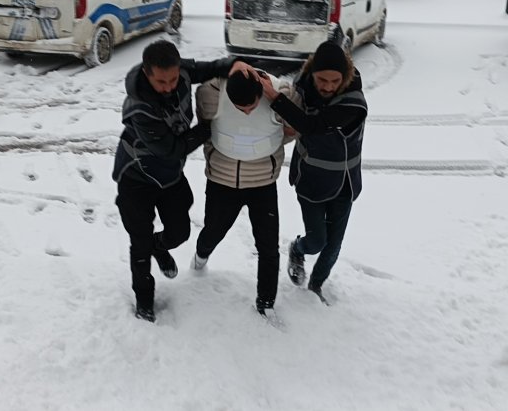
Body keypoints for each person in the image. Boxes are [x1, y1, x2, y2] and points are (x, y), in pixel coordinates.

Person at [112, 40, 251, 323]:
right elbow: (173, 148)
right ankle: (144, 300)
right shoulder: (140, 108)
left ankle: (159, 246)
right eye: (161, 81)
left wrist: (234, 65)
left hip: (168, 175)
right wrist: (213, 127)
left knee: (180, 232)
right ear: (147, 74)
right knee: (138, 244)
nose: (169, 86)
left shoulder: (180, 73)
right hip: (136, 177)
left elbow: (208, 69)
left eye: (173, 78)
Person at [260, 41, 367, 301]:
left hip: (345, 183)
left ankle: (316, 286)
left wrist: (276, 99)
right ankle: (298, 248)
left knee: (332, 246)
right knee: (317, 241)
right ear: (312, 73)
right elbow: (294, 121)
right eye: (322, 79)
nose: (328, 86)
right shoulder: (302, 87)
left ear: (345, 76)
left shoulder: (354, 102)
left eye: (335, 80)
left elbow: (313, 125)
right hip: (311, 180)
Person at [190, 69, 293, 318]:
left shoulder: (281, 92)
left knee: (268, 247)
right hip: (222, 181)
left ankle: (266, 303)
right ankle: (201, 256)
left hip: (263, 183)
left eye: (252, 107)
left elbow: (293, 128)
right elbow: (204, 124)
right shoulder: (211, 92)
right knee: (214, 230)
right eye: (240, 108)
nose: (247, 112)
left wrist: (265, 149)